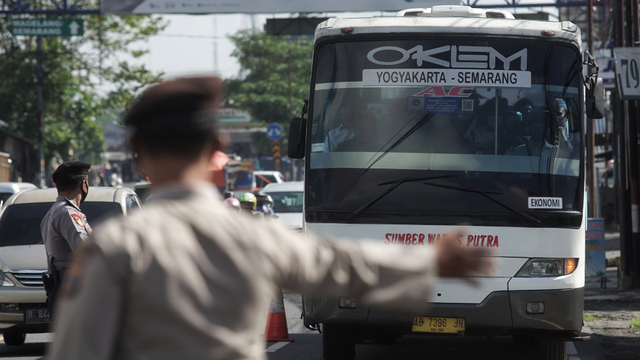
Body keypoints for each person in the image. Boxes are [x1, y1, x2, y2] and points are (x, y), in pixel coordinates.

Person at [47, 76, 494, 360]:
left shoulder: (115, 249)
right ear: (216, 148)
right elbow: (342, 264)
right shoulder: (252, 237)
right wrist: (432, 262)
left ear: (136, 152)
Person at [40, 161, 92, 318]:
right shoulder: (68, 213)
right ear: (83, 184)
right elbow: (87, 252)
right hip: (75, 292)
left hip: (64, 291)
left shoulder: (51, 213)